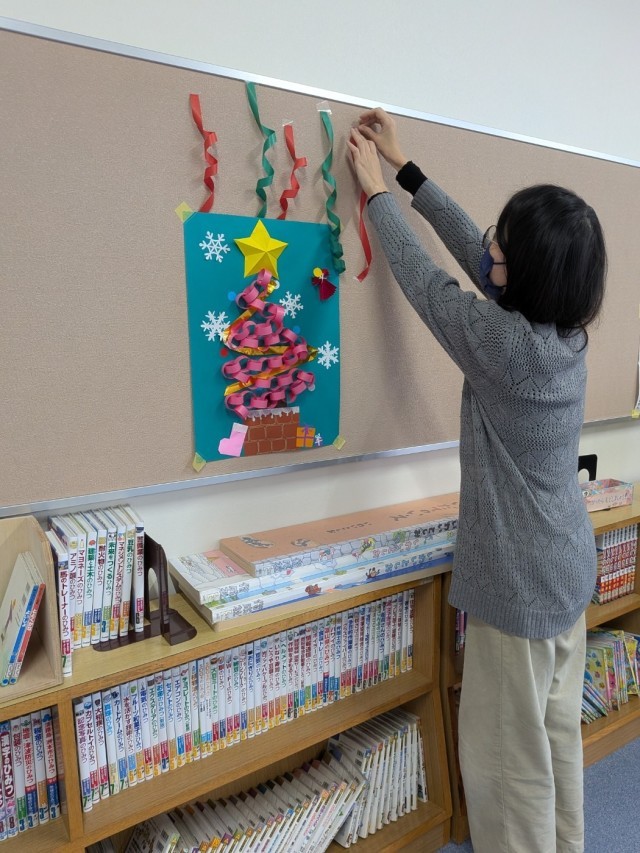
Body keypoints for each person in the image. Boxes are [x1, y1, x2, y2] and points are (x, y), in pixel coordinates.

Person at [348, 109, 607, 853]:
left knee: (506, 766)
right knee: (553, 740)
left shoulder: (507, 346)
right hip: (564, 570)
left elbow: (429, 285)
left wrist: (375, 195)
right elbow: (477, 256)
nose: (489, 245)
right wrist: (407, 169)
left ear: (526, 273)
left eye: (505, 243)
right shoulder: (562, 332)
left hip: (520, 584)